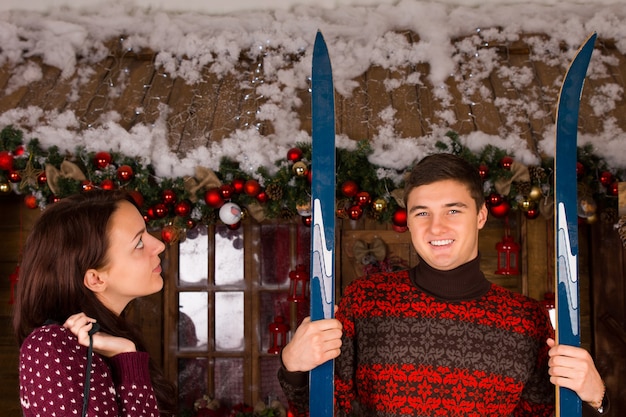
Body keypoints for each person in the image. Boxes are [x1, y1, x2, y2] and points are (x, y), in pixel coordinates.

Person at [278, 153, 609, 416]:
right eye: (422, 213)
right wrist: (294, 368)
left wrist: (595, 398)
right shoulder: (366, 301)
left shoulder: (527, 321)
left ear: (480, 216)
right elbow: (325, 410)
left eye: (453, 210)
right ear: (407, 220)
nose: (436, 228)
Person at [13, 190, 176, 416]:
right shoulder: (48, 347)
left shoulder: (107, 339)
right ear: (96, 279)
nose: (158, 245)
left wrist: (127, 356)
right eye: (139, 242)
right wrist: (127, 355)